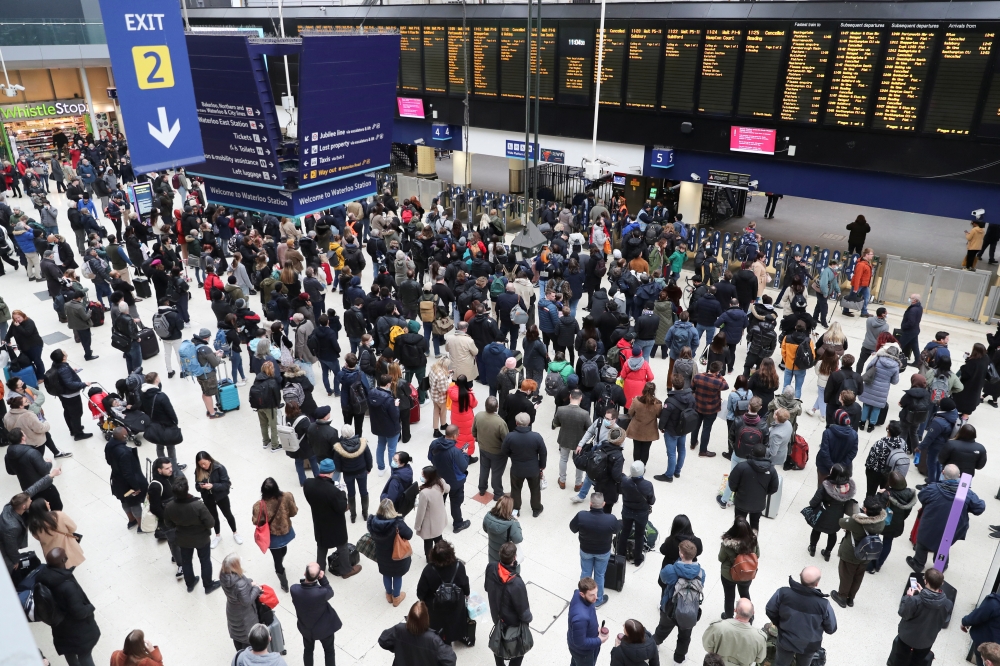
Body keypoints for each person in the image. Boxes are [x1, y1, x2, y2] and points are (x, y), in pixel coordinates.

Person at [907, 464, 986, 572]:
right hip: (953, 529)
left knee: (923, 542)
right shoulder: (966, 494)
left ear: (943, 473)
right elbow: (979, 508)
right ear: (959, 476)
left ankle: (918, 564)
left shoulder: (932, 489)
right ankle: (940, 566)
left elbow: (922, 497)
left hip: (930, 524)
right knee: (944, 544)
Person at [36, 547, 101, 666]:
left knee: (69, 652)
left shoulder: (42, 577)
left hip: (60, 626)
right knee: (84, 654)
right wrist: (91, 607)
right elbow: (79, 612)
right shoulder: (67, 586)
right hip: (78, 630)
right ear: (64, 560)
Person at [765, 566, 837, 666]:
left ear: (800, 575)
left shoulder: (783, 593)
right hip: (809, 646)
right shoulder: (823, 605)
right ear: (816, 584)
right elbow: (831, 629)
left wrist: (779, 623)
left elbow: (770, 610)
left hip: (785, 640)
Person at [163, 475, 221, 594]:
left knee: (186, 561)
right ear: (187, 489)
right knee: (205, 560)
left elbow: (168, 524)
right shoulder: (198, 505)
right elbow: (210, 523)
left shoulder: (170, 506)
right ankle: (208, 585)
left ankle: (190, 584)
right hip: (202, 538)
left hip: (183, 539)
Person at [303, 458, 361, 578]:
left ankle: (319, 571)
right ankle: (346, 570)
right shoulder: (334, 492)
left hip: (319, 522)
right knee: (342, 545)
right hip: (335, 524)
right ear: (332, 472)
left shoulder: (308, 484)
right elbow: (342, 508)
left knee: (322, 546)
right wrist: (342, 494)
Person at [654, 540, 705, 664]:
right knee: (685, 637)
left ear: (681, 554)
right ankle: (679, 658)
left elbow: (663, 579)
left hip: (670, 608)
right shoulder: (701, 573)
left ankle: (655, 644)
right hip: (689, 611)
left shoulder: (671, 570)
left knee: (663, 628)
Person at [830, 496, 886, 608]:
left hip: (851, 553)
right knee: (858, 577)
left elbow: (841, 522)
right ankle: (851, 599)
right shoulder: (881, 522)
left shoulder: (857, 522)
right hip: (867, 554)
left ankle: (842, 597)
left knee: (847, 575)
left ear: (865, 510)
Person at [485, 541, 533, 666]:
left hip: (497, 616)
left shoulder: (491, 567)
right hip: (513, 624)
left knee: (498, 642)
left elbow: (486, 587)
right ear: (515, 558)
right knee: (519, 650)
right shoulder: (516, 583)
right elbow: (524, 612)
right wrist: (528, 619)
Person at [892, 567, 952, 666]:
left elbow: (903, 613)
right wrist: (923, 593)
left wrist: (907, 597)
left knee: (900, 659)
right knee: (917, 662)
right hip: (927, 641)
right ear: (942, 583)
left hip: (907, 638)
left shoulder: (914, 600)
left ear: (925, 581)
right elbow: (935, 608)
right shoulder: (947, 604)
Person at [570, 492, 621, 607]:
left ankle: (583, 597)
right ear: (603, 504)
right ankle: (598, 600)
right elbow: (616, 530)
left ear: (590, 504)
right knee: (599, 575)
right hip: (603, 552)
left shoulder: (581, 516)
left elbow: (572, 528)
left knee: (585, 573)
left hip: (586, 550)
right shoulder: (611, 519)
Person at [416, 540, 471, 645]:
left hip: (436, 607)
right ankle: (458, 635)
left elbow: (420, 592)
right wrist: (467, 594)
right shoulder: (459, 566)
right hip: (455, 604)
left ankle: (442, 641)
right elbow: (465, 585)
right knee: (456, 620)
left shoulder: (428, 570)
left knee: (438, 624)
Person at [290, 562, 343, 666]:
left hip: (306, 628)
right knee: (329, 652)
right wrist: (322, 579)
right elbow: (330, 591)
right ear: (319, 575)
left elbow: (301, 585)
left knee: (308, 650)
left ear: (304, 573)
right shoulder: (321, 593)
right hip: (325, 629)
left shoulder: (294, 589)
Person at [252, 477, 299, 592]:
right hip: (286, 531)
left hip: (271, 536)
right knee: (283, 549)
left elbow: (256, 521)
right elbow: (294, 512)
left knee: (277, 560)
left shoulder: (259, 505)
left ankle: (284, 584)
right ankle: (282, 568)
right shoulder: (287, 496)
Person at [378, 600, 457, 666]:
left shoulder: (399, 629)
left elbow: (383, 640)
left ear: (409, 617)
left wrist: (398, 648)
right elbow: (450, 660)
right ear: (426, 618)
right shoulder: (434, 640)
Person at [368, 498, 414, 607]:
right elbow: (409, 534)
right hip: (397, 555)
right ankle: (396, 597)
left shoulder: (373, 522)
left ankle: (389, 595)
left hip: (382, 555)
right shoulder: (397, 524)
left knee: (386, 574)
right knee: (397, 575)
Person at [500, 412, 547, 517]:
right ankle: (536, 509)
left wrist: (513, 456)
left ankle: (516, 510)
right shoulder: (536, 437)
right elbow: (543, 452)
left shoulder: (510, 436)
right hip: (533, 469)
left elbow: (504, 451)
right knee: (535, 489)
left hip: (517, 469)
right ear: (529, 422)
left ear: (516, 423)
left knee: (515, 490)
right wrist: (541, 465)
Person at [807, 464, 855, 561]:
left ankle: (812, 548)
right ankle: (827, 553)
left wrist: (812, 505)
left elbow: (815, 501)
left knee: (816, 530)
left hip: (823, 513)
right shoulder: (848, 486)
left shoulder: (826, 485)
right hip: (837, 515)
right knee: (832, 534)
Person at [428, 425, 472, 532]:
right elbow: (463, 466)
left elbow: (430, 457)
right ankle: (458, 524)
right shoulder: (455, 452)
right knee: (455, 502)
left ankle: (437, 522)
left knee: (440, 502)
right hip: (454, 482)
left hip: (439, 479)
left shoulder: (434, 444)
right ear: (454, 436)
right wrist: (465, 455)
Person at [194, 451, 242, 548]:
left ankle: (235, 532)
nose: (203, 466)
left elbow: (226, 484)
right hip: (208, 498)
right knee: (214, 517)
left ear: (209, 460)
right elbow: (196, 486)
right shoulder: (198, 471)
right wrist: (202, 487)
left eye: (204, 463)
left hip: (221, 496)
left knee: (228, 514)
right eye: (200, 464)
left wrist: (212, 486)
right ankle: (217, 535)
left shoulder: (219, 468)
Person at [105, 426, 149, 531]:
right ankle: (141, 525)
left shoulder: (109, 445)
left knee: (124, 500)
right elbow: (128, 473)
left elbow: (108, 461)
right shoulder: (124, 453)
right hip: (128, 484)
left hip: (117, 481)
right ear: (124, 436)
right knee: (134, 503)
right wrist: (136, 487)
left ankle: (131, 520)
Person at [701, 598, 766, 666]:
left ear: (735, 610)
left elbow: (707, 646)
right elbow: (759, 659)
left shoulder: (717, 627)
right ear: (753, 613)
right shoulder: (760, 638)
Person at [718, 516, 759, 621]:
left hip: (729, 575)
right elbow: (757, 555)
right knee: (745, 594)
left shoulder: (727, 544)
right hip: (747, 573)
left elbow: (721, 558)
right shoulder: (753, 540)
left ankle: (728, 617)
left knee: (729, 596)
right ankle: (749, 616)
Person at [220, 553, 262, 653]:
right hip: (245, 615)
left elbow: (238, 591)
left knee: (237, 634)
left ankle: (239, 653)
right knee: (247, 638)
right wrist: (256, 588)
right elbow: (247, 601)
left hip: (232, 610)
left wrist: (249, 583)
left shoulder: (223, 575)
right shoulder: (239, 583)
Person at [25, 497, 84, 567]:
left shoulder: (33, 526)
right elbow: (73, 528)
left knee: (59, 568)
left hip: (51, 553)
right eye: (46, 502)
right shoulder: (59, 515)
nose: (48, 502)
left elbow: (38, 538)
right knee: (69, 565)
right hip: (67, 548)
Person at [331, 423, 372, 523]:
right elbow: (368, 457)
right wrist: (369, 468)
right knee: (364, 491)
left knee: (351, 493)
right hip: (361, 472)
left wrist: (341, 470)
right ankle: (365, 513)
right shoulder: (363, 443)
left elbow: (337, 463)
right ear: (353, 432)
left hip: (348, 474)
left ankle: (353, 515)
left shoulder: (339, 448)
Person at [48, 348, 92, 441]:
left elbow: (62, 376)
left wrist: (71, 371)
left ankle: (73, 429)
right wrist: (84, 384)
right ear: (63, 357)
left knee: (68, 412)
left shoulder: (56, 364)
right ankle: (78, 434)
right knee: (76, 413)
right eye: (64, 352)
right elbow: (70, 384)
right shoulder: (64, 368)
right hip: (71, 395)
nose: (65, 352)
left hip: (63, 394)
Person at [619, 460, 655, 567]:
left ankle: (620, 555)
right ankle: (638, 558)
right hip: (641, 513)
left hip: (627, 510)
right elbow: (652, 501)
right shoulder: (647, 485)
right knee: (640, 534)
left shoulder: (624, 481)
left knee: (625, 531)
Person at [858, 344, 901, 432]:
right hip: (882, 390)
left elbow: (868, 369)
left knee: (866, 404)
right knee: (877, 408)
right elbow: (895, 381)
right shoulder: (896, 366)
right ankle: (871, 425)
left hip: (870, 385)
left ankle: (862, 423)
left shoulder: (877, 358)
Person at [690, 361, 729, 457]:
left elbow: (692, 388)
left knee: (696, 425)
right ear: (718, 371)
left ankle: (693, 443)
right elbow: (726, 386)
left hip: (698, 406)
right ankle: (703, 451)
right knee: (706, 429)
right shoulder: (718, 381)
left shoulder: (698, 376)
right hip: (711, 409)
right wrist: (719, 375)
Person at [473, 396, 509, 497]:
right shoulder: (500, 423)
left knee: (484, 469)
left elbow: (473, 431)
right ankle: (497, 493)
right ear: (497, 407)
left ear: (485, 406)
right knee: (496, 473)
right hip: (498, 453)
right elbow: (506, 440)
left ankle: (482, 489)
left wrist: (478, 439)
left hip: (483, 449)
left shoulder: (478, 416)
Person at [568, 577, 609, 666]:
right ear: (582, 594)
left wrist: (596, 628)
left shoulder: (577, 594)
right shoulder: (581, 618)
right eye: (592, 595)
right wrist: (599, 640)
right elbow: (580, 643)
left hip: (579, 647)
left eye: (596, 593)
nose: (596, 597)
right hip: (583, 654)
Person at [369, 373, 402, 475]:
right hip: (391, 428)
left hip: (378, 426)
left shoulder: (371, 393)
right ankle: (394, 471)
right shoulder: (389, 399)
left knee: (380, 445)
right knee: (392, 450)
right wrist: (396, 405)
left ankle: (380, 468)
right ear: (388, 384)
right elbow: (395, 416)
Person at [864, 421, 907, 497]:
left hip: (876, 472)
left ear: (888, 429)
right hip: (891, 473)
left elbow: (870, 461)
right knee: (885, 493)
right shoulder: (903, 444)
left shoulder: (880, 444)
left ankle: (869, 506)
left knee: (871, 493)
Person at [414, 466, 449, 557]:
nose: (421, 476)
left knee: (428, 542)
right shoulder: (440, 482)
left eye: (423, 475)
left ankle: (430, 559)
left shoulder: (425, 493)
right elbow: (448, 488)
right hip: (440, 518)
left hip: (429, 524)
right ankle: (442, 556)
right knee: (439, 539)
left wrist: (417, 526)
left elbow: (420, 512)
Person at [817, 410, 858, 486]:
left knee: (822, 489)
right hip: (844, 469)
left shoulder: (828, 432)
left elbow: (824, 451)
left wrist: (832, 467)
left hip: (825, 468)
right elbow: (853, 452)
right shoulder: (854, 434)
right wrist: (840, 467)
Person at [626, 382, 662, 465]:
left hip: (636, 429)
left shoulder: (636, 401)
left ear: (644, 390)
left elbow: (630, 413)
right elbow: (659, 415)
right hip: (649, 431)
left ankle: (636, 466)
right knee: (646, 450)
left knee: (637, 448)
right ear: (654, 391)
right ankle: (642, 467)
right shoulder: (657, 404)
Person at [447, 375, 478, 454]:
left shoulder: (452, 392)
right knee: (468, 437)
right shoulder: (468, 395)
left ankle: (458, 453)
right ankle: (468, 455)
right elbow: (474, 404)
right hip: (467, 420)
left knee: (458, 436)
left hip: (455, 418)